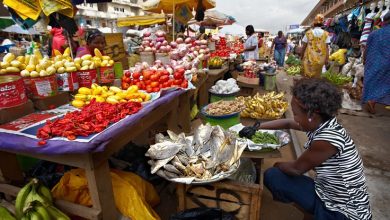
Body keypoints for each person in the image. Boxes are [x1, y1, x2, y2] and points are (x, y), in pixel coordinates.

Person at [261, 78, 372, 220]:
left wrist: (278, 164)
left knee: (273, 175)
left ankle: (318, 214)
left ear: (311, 115)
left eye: (295, 113)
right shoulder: (322, 123)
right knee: (278, 174)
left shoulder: (326, 140)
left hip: (344, 211)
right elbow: (288, 123)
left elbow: (296, 169)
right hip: (327, 191)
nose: (294, 117)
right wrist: (256, 127)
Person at [363, 11, 390, 114]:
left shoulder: (374, 33)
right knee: (385, 84)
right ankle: (373, 101)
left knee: (373, 82)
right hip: (387, 62)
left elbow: (367, 48)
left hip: (373, 62)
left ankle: (371, 101)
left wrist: (364, 59)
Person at [301, 14, 331, 78]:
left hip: (309, 59)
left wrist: (301, 56)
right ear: (322, 23)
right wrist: (327, 59)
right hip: (321, 59)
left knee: (308, 76)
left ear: (314, 23)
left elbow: (304, 47)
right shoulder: (326, 34)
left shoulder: (308, 33)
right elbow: (327, 48)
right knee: (317, 77)